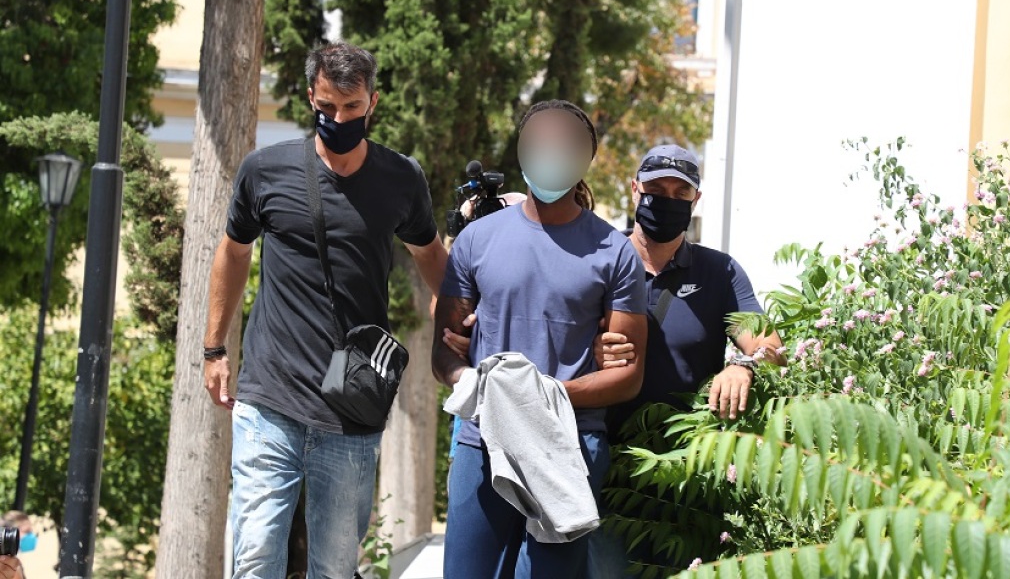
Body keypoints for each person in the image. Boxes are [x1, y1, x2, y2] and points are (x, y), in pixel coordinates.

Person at [203, 42, 447, 578]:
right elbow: (233, 252)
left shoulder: (400, 178)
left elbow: (429, 252)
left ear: (373, 102)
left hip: (351, 404)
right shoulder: (265, 170)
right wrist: (215, 349)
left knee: (334, 569)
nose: (339, 119)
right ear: (311, 98)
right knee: (254, 557)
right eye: (328, 106)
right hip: (270, 396)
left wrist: (456, 314)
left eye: (352, 107)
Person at [432, 99, 649, 578]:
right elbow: (442, 354)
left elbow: (628, 376)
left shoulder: (615, 253)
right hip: (483, 442)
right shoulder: (476, 240)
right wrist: (481, 388)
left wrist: (538, 397)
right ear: (522, 150)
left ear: (586, 158)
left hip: (570, 446)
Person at [588, 143, 788, 577]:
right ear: (634, 190)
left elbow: (772, 349)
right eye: (657, 190)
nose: (668, 200)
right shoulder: (598, 260)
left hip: (687, 473)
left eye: (681, 193)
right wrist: (590, 350)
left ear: (696, 199)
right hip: (606, 469)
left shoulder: (720, 272)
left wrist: (743, 366)